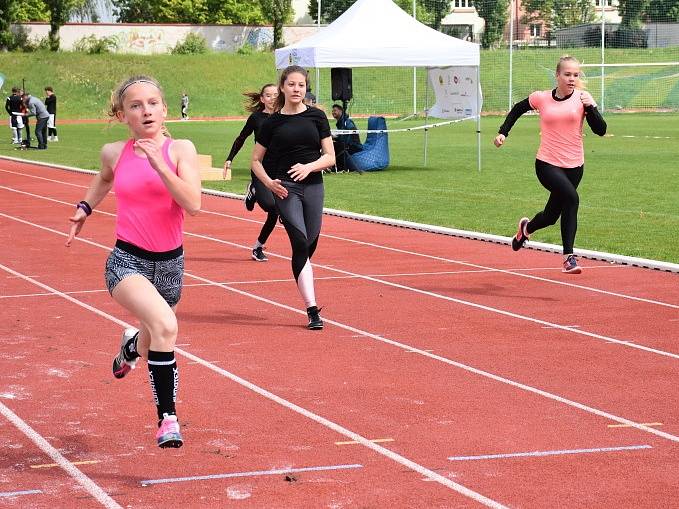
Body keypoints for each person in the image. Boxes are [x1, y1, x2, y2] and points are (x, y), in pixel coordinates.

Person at [65, 75, 201, 448]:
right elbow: (104, 178)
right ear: (123, 114)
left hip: (170, 265)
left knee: (152, 335)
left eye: (153, 103)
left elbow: (193, 204)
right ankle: (168, 418)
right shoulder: (114, 152)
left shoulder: (180, 150)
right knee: (166, 326)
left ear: (164, 109)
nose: (146, 111)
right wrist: (85, 207)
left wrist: (160, 165)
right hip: (128, 261)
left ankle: (129, 349)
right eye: (136, 105)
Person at [494, 55, 607, 274]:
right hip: (547, 163)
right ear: (557, 75)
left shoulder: (583, 99)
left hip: (575, 166)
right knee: (572, 199)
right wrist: (503, 132)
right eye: (567, 74)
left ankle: (526, 229)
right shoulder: (542, 98)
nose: (572, 78)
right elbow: (518, 108)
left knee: (551, 216)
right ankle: (569, 258)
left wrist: (591, 107)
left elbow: (601, 130)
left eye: (575, 75)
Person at [251, 66, 335, 329]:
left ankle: (303, 278)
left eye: (301, 85)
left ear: (305, 88)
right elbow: (255, 160)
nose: (297, 89)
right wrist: (268, 183)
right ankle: (312, 310)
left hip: (313, 186)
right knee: (299, 243)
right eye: (292, 85)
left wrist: (309, 166)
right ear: (283, 87)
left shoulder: (317, 117)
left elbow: (330, 157)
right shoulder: (272, 122)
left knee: (310, 245)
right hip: (285, 189)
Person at [224, 84, 279, 262]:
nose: (272, 98)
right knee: (271, 207)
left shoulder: (284, 116)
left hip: (279, 169)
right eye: (268, 95)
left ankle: (258, 247)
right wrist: (229, 159)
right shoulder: (256, 118)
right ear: (262, 99)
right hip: (260, 168)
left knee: (276, 213)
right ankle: (254, 189)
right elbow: (241, 138)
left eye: (275, 95)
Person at [331, 104, 363, 171]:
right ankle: (334, 167)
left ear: (341, 111)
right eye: (332, 111)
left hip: (354, 146)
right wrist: (334, 137)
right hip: (347, 144)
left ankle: (340, 168)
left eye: (335, 110)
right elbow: (343, 135)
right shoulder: (340, 122)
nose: (333, 112)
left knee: (336, 147)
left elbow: (352, 129)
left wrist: (348, 142)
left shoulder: (347, 121)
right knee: (332, 145)